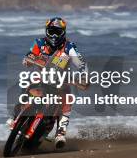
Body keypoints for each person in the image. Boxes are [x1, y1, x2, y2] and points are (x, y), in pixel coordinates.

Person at [11, 17, 89, 149]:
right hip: (42, 78)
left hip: (61, 80)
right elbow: (27, 58)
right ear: (46, 31)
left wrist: (83, 76)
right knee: (27, 83)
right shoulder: (39, 43)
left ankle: (60, 133)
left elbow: (81, 63)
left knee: (67, 100)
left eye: (57, 32)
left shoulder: (69, 47)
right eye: (51, 31)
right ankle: (15, 117)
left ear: (63, 33)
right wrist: (30, 60)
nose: (54, 35)